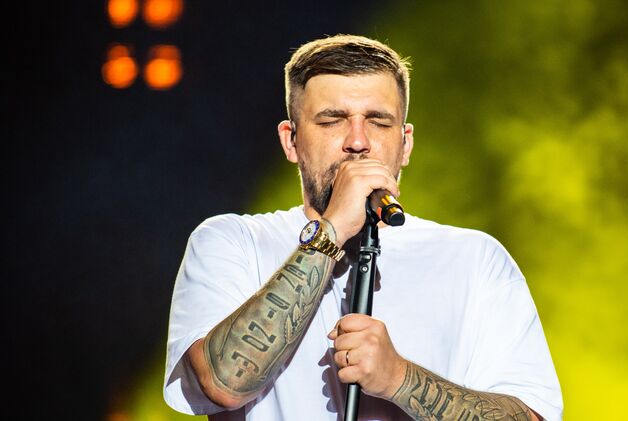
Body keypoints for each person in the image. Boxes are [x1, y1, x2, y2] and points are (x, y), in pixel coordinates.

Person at [163, 34, 563, 421]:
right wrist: (332, 230)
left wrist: (399, 378)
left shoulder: (475, 259)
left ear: (406, 144)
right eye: (332, 120)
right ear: (291, 141)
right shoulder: (231, 242)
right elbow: (223, 383)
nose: (357, 142)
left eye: (378, 122)